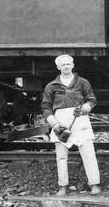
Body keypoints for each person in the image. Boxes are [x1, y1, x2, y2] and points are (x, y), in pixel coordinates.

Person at [41, 54, 101, 196]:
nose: (66, 66)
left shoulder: (82, 82)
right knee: (61, 156)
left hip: (80, 119)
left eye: (69, 64)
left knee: (88, 153)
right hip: (60, 120)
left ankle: (94, 184)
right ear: (58, 67)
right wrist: (53, 123)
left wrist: (86, 107)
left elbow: (92, 99)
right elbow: (46, 106)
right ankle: (62, 186)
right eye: (63, 65)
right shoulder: (52, 86)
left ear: (73, 65)